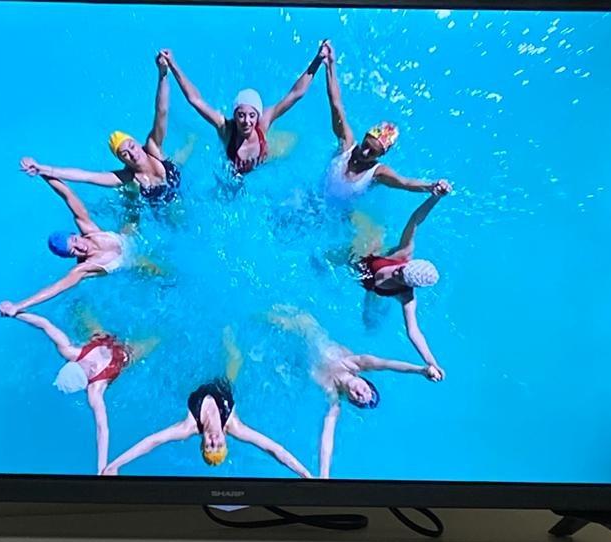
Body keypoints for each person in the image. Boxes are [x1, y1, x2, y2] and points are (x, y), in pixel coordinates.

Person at [103, 327, 311, 477]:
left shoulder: (188, 426)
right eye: (218, 445)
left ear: (202, 443)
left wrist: (115, 464)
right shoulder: (234, 426)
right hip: (224, 380)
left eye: (209, 446)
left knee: (178, 357)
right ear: (225, 441)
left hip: (193, 382)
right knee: (235, 355)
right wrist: (306, 475)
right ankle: (226, 326)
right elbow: (274, 449)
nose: (214, 441)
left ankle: (165, 334)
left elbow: (152, 442)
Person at [268, 305, 439, 478]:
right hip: (303, 326)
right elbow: (388, 364)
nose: (361, 393)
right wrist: (421, 370)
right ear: (364, 380)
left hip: (291, 353)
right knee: (267, 318)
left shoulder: (333, 396)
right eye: (365, 390)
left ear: (350, 399)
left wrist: (324, 476)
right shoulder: (355, 363)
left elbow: (327, 436)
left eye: (360, 398)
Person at [5, 310, 159, 474]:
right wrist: (102, 468)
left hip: (100, 337)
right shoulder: (95, 390)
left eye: (84, 364)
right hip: (126, 354)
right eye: (89, 371)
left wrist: (14, 312)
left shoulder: (71, 351)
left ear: (74, 362)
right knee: (156, 339)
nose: (92, 365)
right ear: (87, 382)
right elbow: (102, 428)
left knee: (81, 310)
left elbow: (44, 324)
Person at [19, 55, 182, 208]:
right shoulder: (126, 177)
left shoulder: (153, 148)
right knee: (137, 202)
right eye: (125, 154)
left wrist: (163, 75)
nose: (132, 154)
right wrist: (42, 169)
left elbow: (161, 112)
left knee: (180, 158)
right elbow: (85, 176)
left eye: (132, 146)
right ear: (122, 161)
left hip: (172, 175)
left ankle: (191, 141)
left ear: (138, 143)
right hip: (161, 204)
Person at [0, 174, 159, 317]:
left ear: (75, 234)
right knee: (164, 275)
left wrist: (43, 172)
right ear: (71, 256)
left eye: (75, 241)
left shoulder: (89, 230)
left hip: (128, 234)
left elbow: (68, 195)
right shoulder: (84, 268)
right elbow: (56, 288)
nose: (80, 247)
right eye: (73, 250)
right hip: (136, 262)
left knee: (133, 192)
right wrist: (18, 306)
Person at [158, 43, 326, 177]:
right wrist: (172, 65)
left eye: (252, 115)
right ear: (234, 115)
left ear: (258, 116)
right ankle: (191, 140)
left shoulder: (263, 123)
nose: (247, 121)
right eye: (241, 115)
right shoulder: (226, 129)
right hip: (234, 172)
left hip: (267, 156)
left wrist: (318, 60)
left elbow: (296, 94)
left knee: (294, 142)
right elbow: (195, 100)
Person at [321, 42, 450, 205]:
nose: (365, 152)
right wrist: (330, 65)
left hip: (338, 216)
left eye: (373, 152)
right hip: (315, 199)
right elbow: (336, 105)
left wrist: (431, 186)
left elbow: (405, 183)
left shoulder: (377, 173)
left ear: (382, 154)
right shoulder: (346, 145)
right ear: (364, 136)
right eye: (366, 145)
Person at [354, 189, 450, 379]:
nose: (395, 272)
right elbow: (415, 220)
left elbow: (414, 332)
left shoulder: (406, 297)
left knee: (369, 320)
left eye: (400, 277)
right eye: (400, 270)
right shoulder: (403, 254)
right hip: (365, 255)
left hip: (371, 288)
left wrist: (432, 362)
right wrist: (435, 197)